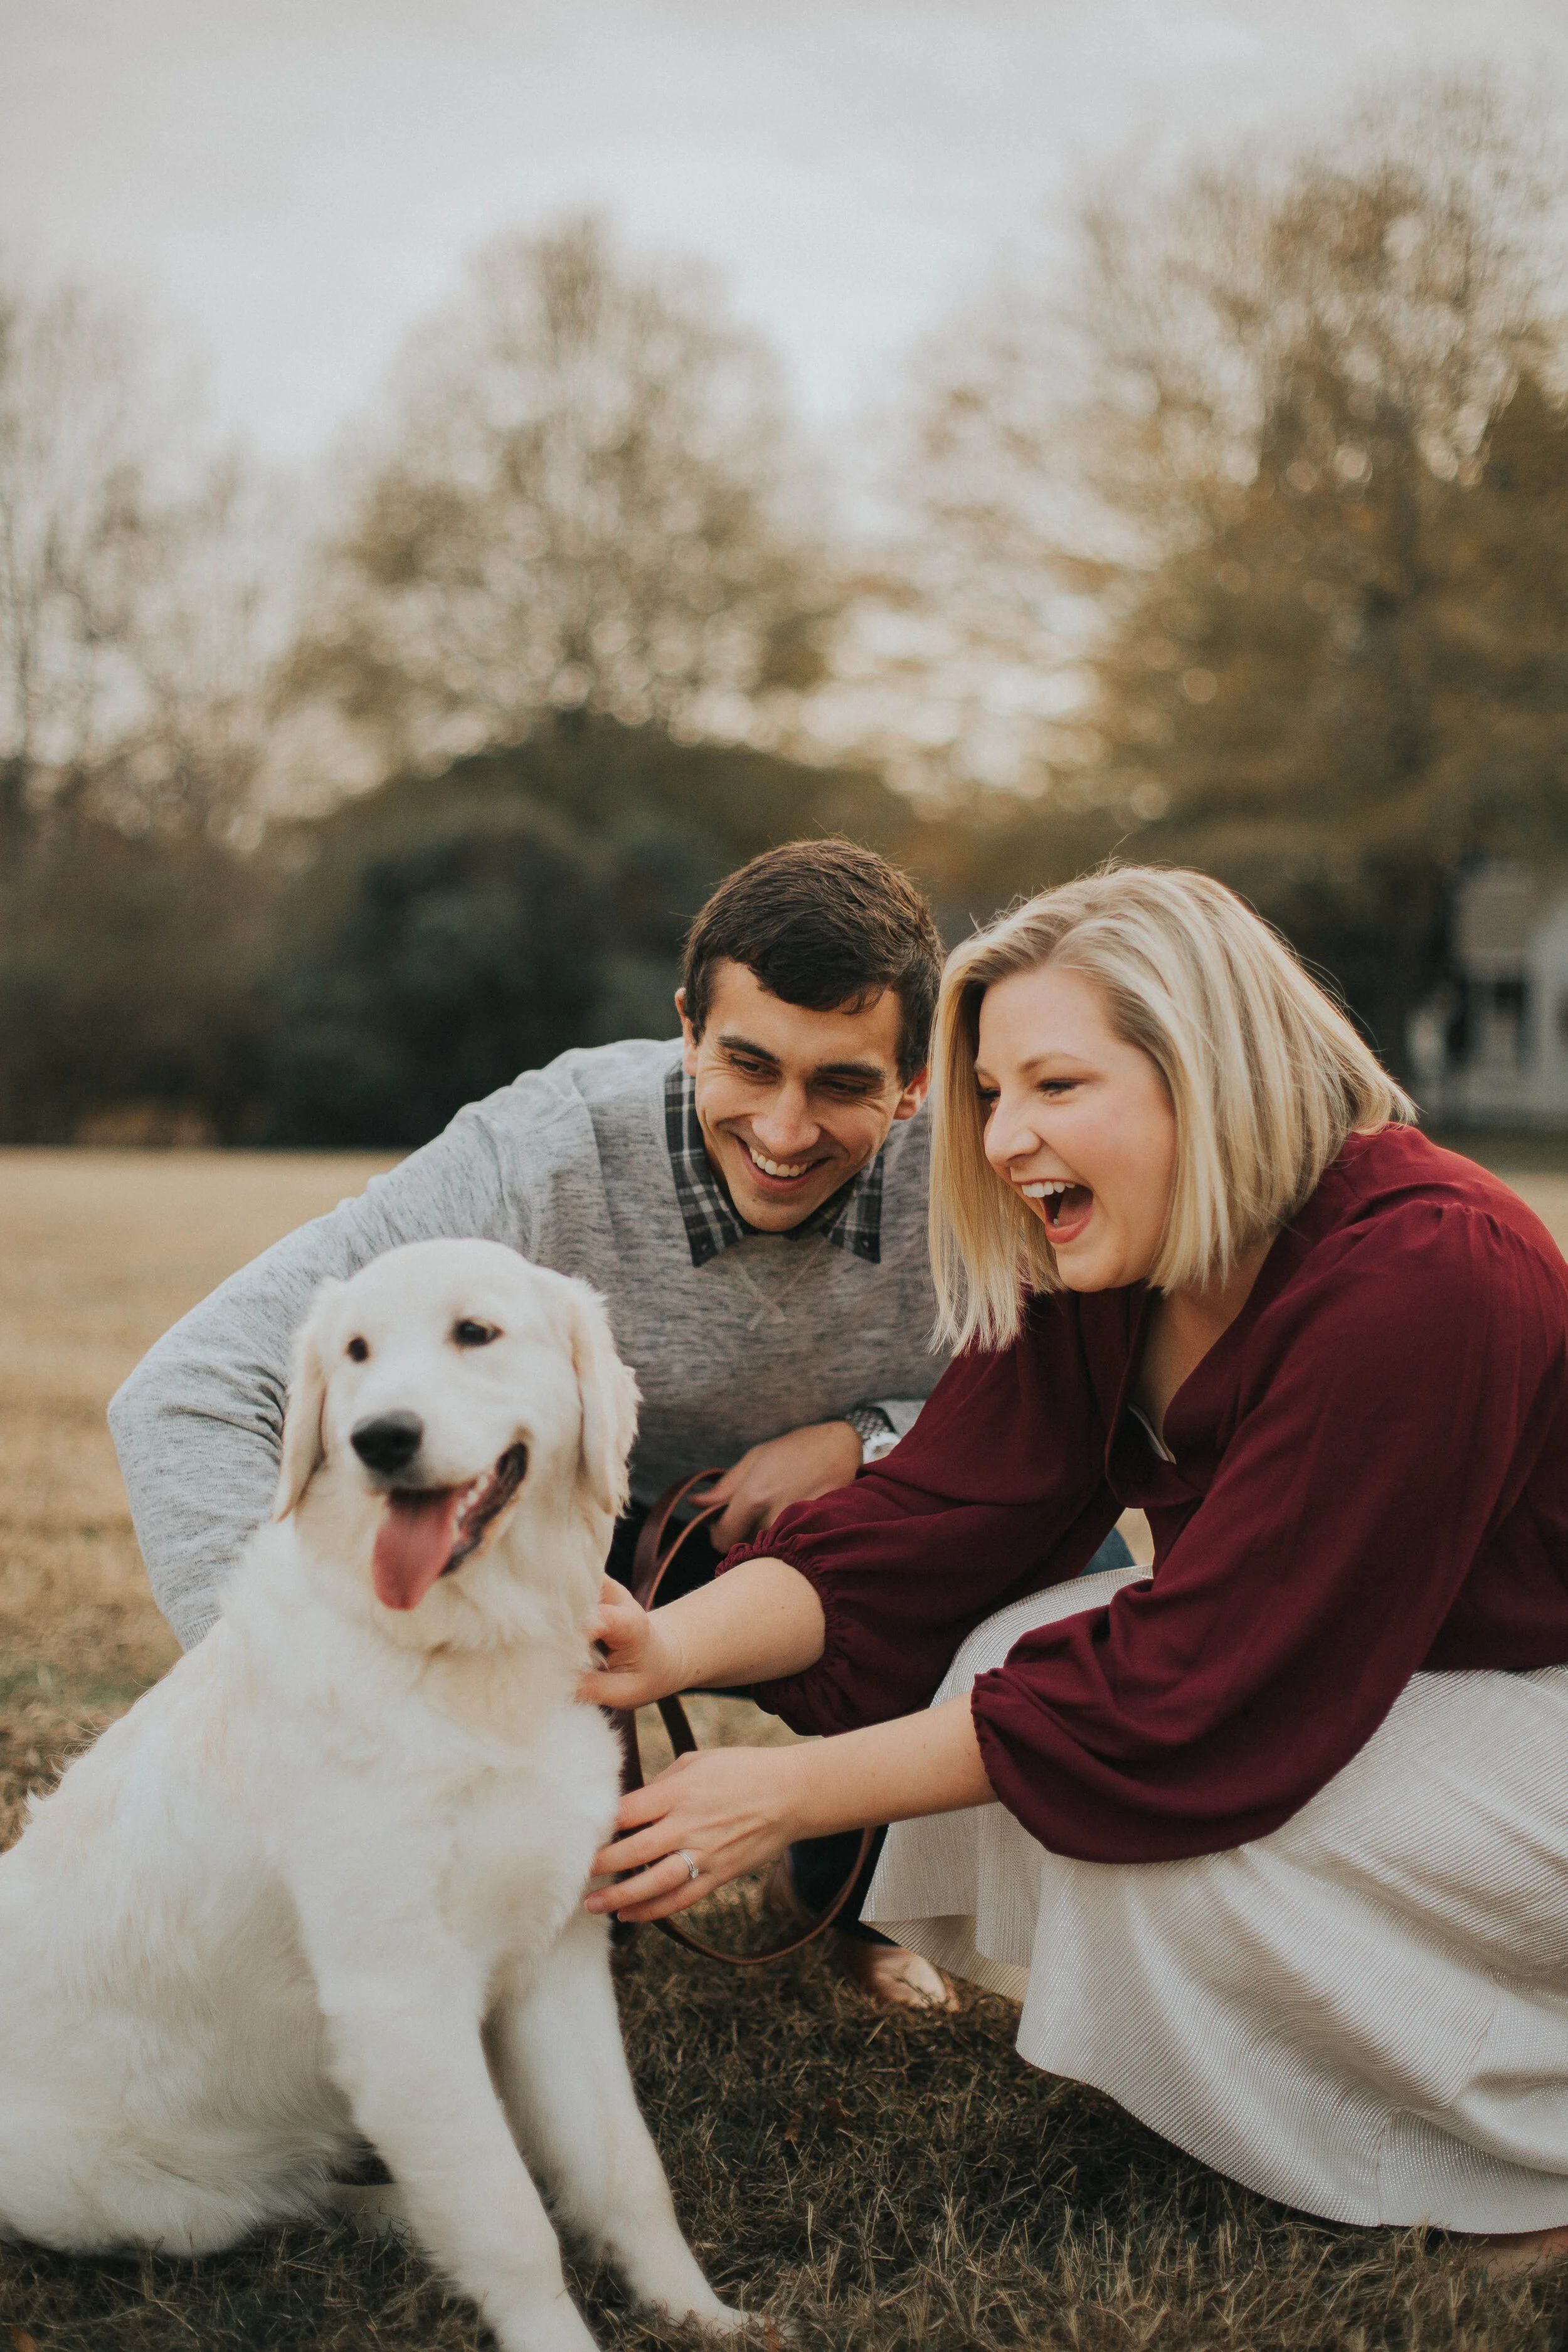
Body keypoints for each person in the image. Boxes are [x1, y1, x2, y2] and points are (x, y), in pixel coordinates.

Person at [583, 863, 1568, 2273]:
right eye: (988, 1093)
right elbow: (934, 1514)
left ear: (1205, 1075)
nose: (998, 1138)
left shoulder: (1428, 1268)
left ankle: (1527, 2172)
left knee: (1161, 1799)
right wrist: (663, 1648)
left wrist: (785, 1789)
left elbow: (1208, 1683)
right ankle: (1322, 2106)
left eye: (1054, 1085)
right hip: (1379, 1675)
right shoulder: (1111, 1260)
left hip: (1530, 1713)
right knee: (1007, 1661)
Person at [108, 837, 1067, 2010]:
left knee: (1058, 1572)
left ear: (917, 1080)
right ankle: (552, 1878)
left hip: (863, 1533)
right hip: (567, 1535)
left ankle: (863, 1898)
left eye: (844, 1084)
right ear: (686, 1030)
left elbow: (1060, 1422)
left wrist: (865, 1434)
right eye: (748, 1064)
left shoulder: (989, 1160)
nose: (783, 1126)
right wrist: (283, 1699)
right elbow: (190, 1389)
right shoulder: (538, 1148)